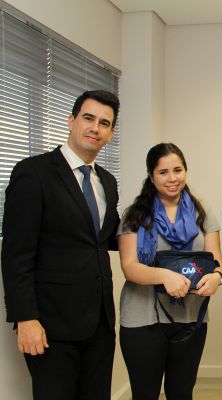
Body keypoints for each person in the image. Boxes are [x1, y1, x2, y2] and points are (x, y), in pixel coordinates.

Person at [1, 90, 120, 399]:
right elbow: (16, 254)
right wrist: (25, 318)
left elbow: (109, 237)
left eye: (104, 123)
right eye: (88, 118)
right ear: (71, 121)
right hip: (51, 325)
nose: (95, 128)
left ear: (111, 133)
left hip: (100, 323)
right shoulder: (33, 173)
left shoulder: (107, 182)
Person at [117, 142, 222, 400]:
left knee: (182, 393)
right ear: (151, 176)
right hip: (143, 319)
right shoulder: (134, 215)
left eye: (178, 170)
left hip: (190, 319)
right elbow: (129, 267)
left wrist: (217, 277)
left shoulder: (202, 211)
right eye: (163, 172)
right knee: (145, 394)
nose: (172, 178)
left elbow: (216, 261)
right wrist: (164, 276)